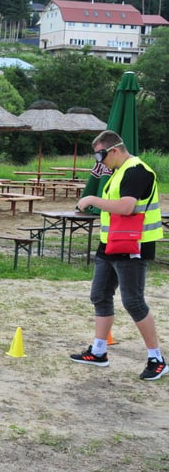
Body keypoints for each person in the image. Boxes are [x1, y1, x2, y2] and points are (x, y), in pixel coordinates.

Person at [71, 130, 165, 381]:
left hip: (133, 246)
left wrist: (92, 199)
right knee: (99, 295)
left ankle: (157, 358)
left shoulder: (137, 171)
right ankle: (99, 351)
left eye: (100, 155)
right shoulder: (117, 172)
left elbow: (126, 206)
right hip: (110, 243)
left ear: (114, 150)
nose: (98, 162)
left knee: (133, 302)